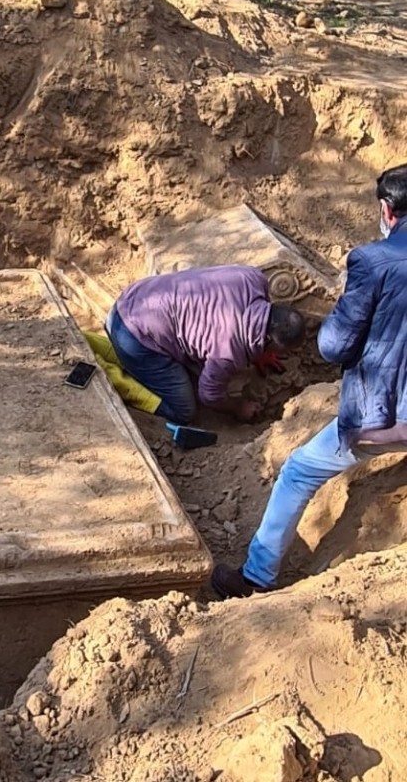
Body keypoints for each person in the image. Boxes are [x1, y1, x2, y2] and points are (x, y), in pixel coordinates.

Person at [212, 163, 407, 599]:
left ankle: (255, 578)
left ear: (387, 211)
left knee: (298, 472)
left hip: (390, 418)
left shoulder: (373, 261)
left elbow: (334, 346)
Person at [106, 264, 305, 426]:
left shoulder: (253, 278)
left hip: (137, 294)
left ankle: (116, 351)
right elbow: (209, 395)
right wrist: (237, 407)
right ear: (268, 340)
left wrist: (260, 351)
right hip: (133, 336)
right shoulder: (228, 350)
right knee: (184, 412)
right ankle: (116, 376)